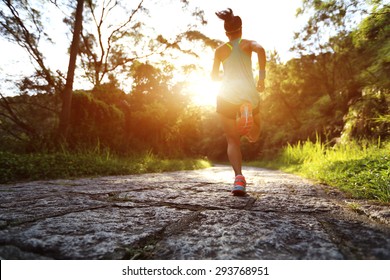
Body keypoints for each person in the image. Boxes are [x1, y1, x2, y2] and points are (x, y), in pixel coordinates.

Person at [211, 8, 266, 196]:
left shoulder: (219, 50)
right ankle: (247, 113)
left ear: (226, 33)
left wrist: (224, 78)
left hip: (226, 95)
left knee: (232, 139)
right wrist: (262, 78)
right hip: (248, 93)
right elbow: (261, 50)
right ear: (241, 30)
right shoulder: (248, 43)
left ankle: (239, 178)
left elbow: (213, 76)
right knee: (255, 134)